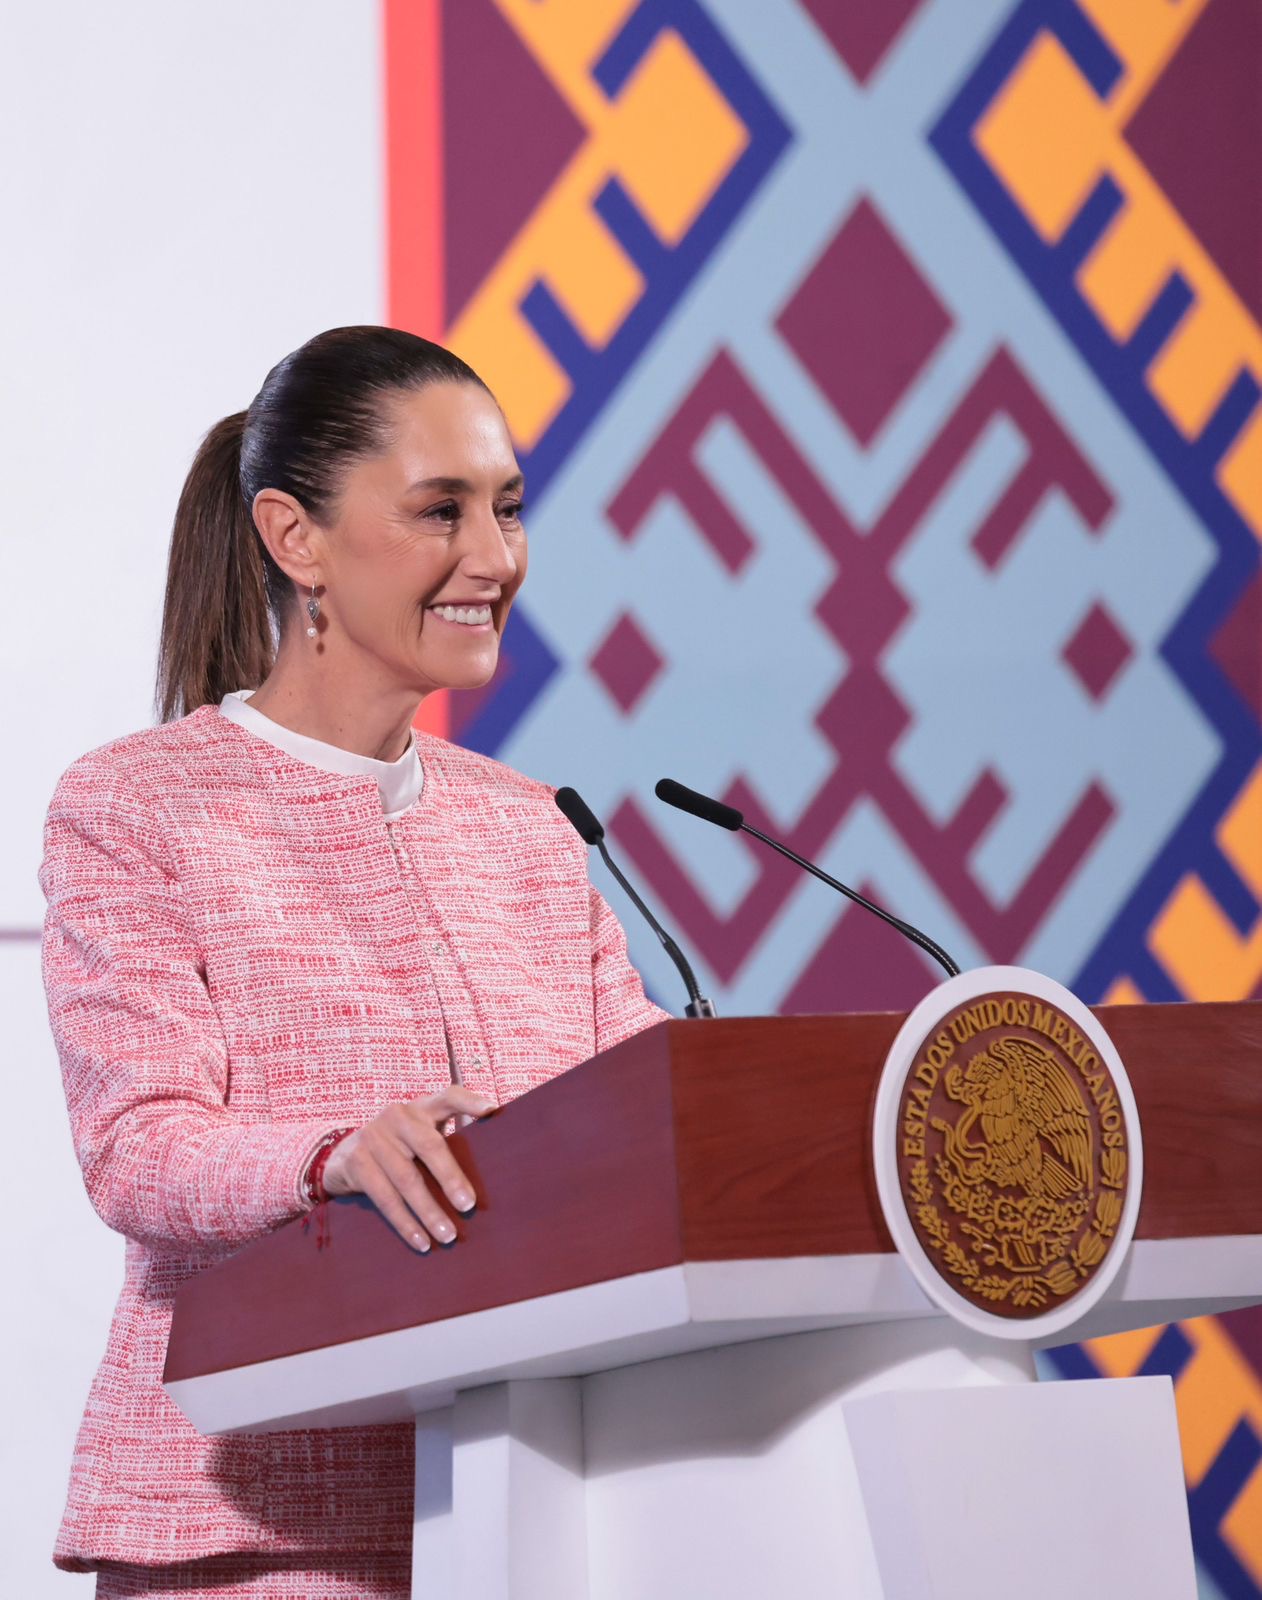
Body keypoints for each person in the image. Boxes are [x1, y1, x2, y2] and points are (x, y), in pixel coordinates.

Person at [40, 326, 669, 1598]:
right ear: (296, 538)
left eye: (506, 508)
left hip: (541, 1513)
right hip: (255, 1530)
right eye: (440, 510)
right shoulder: (137, 805)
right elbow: (137, 1146)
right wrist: (334, 1156)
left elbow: (647, 1101)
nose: (494, 558)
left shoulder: (528, 825)